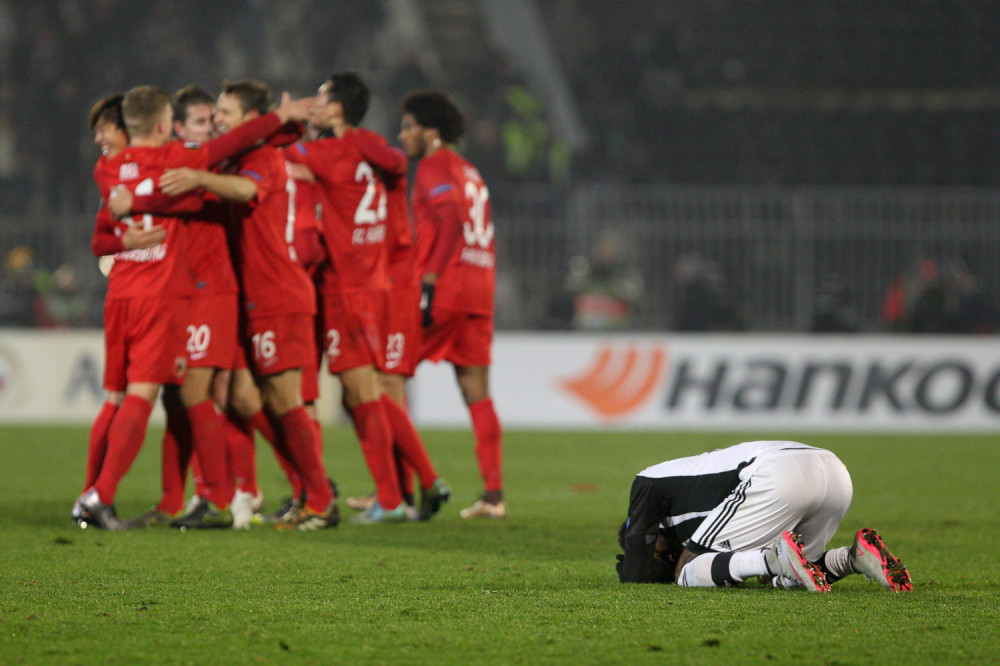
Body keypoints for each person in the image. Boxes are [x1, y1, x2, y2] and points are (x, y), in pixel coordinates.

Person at [74, 84, 314, 531]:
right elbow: (229, 147)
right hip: (178, 292)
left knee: (206, 395)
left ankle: (241, 492)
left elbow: (247, 145)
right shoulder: (183, 162)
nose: (213, 126)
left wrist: (283, 124)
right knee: (188, 396)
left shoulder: (122, 168)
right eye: (203, 120)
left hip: (206, 291)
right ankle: (181, 498)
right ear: (173, 127)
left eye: (217, 116)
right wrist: (280, 118)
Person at [155, 79, 338, 531]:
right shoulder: (245, 154)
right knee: (243, 396)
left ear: (250, 119)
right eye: (216, 112)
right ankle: (302, 490)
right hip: (251, 297)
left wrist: (198, 177)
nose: (218, 119)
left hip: (278, 294)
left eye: (225, 112)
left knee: (285, 401)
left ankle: (320, 499)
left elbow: (243, 190)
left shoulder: (262, 159)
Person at [286, 73, 448, 525]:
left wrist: (282, 119)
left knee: (365, 392)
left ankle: (394, 497)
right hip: (372, 282)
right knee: (366, 392)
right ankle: (419, 483)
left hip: (349, 285)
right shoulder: (371, 148)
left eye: (320, 100)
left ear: (337, 109)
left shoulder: (328, 152)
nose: (313, 106)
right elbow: (394, 160)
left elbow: (277, 156)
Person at [398, 90, 505, 519]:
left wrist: (428, 280)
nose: (402, 135)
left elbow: (449, 219)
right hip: (479, 288)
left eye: (408, 127)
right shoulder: (469, 169)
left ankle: (399, 492)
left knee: (387, 378)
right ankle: (494, 496)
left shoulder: (434, 165)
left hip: (444, 287)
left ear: (430, 131)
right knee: (477, 392)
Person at [616, 440, 913, 592]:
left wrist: (641, 565)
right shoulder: (689, 500)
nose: (662, 556)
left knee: (686, 569)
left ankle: (774, 558)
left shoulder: (648, 481)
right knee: (793, 574)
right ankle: (853, 559)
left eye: (657, 552)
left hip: (777, 473)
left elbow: (636, 571)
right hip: (834, 472)